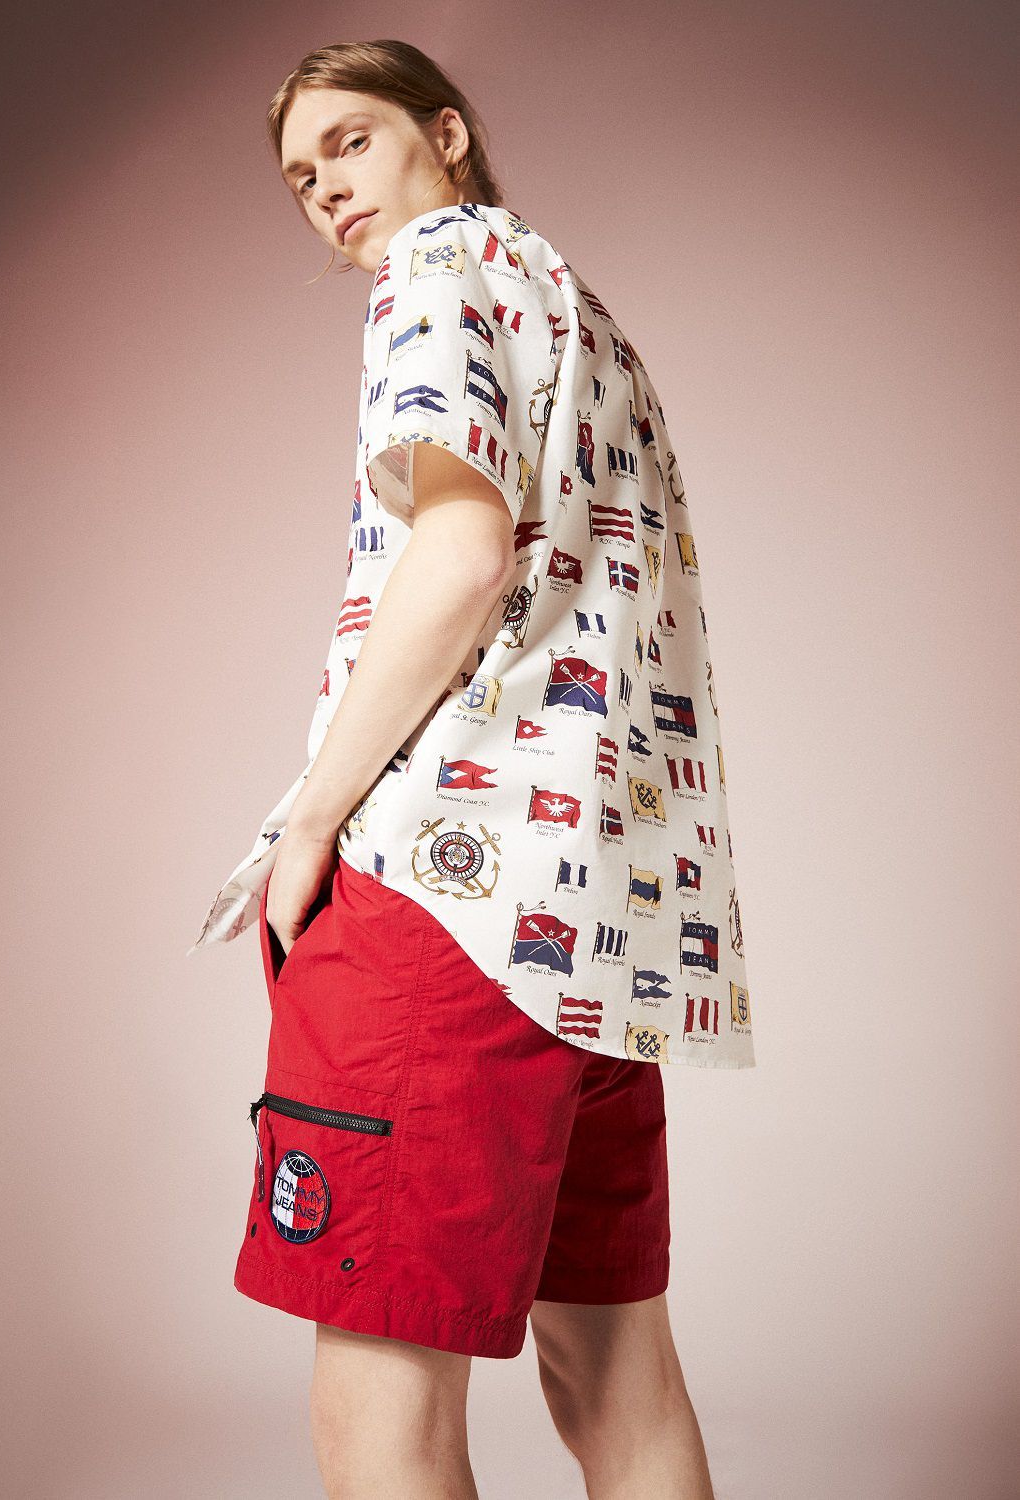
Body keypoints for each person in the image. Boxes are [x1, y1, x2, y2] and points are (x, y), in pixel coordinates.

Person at [190, 38, 755, 1500]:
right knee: (619, 1378)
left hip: (448, 901)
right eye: (301, 177)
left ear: (444, 133)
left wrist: (309, 826)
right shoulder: (577, 313)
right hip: (601, 932)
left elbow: (460, 552)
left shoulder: (434, 272)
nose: (327, 191)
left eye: (352, 143)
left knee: (377, 1405)